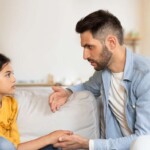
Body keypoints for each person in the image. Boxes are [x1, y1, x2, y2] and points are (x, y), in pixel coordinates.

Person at [49, 9, 150, 150]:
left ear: (111, 42)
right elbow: (87, 86)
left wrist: (88, 144)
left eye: (90, 47)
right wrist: (67, 92)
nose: (84, 55)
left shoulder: (145, 75)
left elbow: (143, 138)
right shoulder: (104, 73)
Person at [0, 53, 72, 150]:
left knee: (55, 147)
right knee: (4, 144)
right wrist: (48, 138)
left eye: (13, 74)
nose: (14, 79)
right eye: (8, 75)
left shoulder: (11, 103)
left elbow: (15, 147)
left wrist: (51, 138)